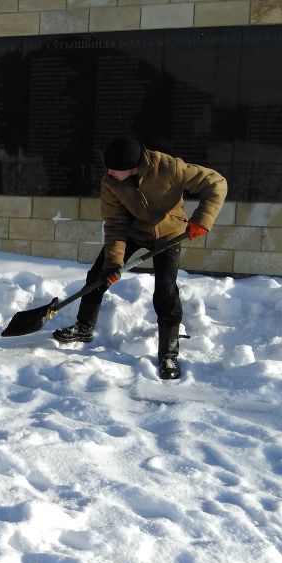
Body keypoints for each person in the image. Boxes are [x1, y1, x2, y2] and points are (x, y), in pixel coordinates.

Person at [52, 136, 227, 380]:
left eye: (115, 169)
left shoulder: (170, 168)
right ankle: (83, 328)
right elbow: (115, 223)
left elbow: (216, 182)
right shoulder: (111, 183)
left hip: (169, 233)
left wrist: (202, 220)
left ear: (133, 166)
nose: (110, 173)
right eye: (108, 168)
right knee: (98, 275)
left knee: (165, 291)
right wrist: (114, 263)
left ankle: (168, 353)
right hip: (133, 231)